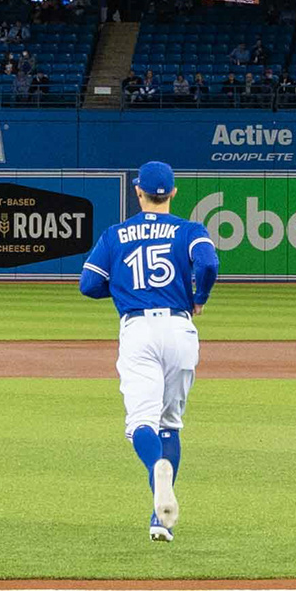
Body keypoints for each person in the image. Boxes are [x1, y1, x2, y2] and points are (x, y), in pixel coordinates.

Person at [77, 159, 218, 542]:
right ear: (172, 192)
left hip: (138, 328)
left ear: (137, 192)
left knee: (142, 423)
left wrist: (124, 287)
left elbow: (88, 284)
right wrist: (198, 297)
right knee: (169, 424)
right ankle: (160, 519)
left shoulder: (115, 234)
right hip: (179, 327)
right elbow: (208, 262)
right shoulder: (190, 230)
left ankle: (155, 466)